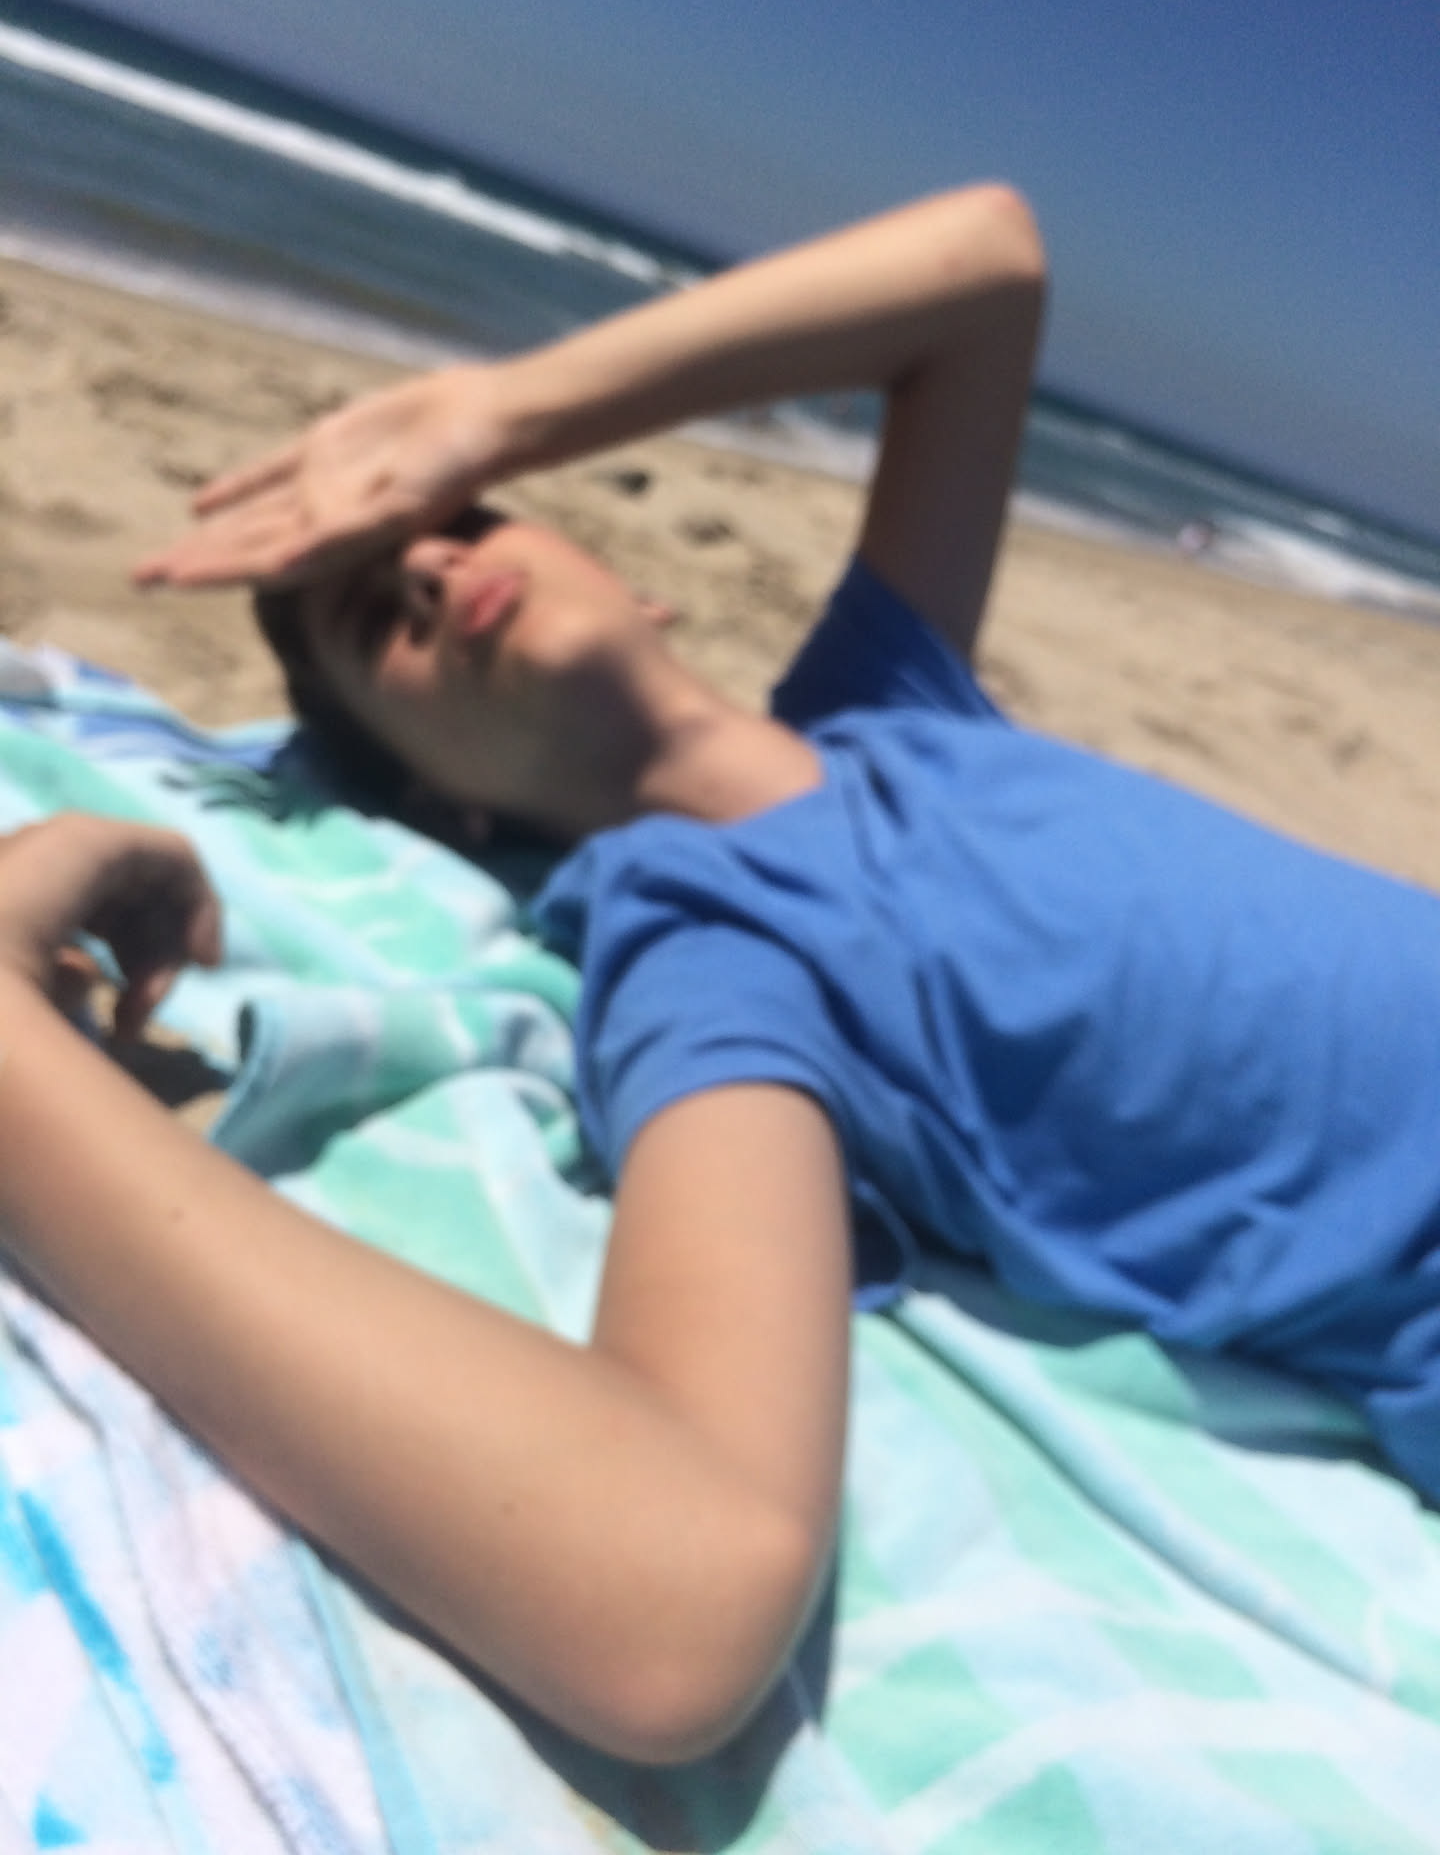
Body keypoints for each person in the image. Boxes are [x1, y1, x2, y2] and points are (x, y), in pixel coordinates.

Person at [3, 189, 1439, 1768]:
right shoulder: (703, 947)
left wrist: (484, 414)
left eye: (466, 521)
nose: (428, 568)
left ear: (647, 585)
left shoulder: (897, 699)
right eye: (372, 621)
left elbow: (984, 268)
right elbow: (674, 1584)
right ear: (431, 803)